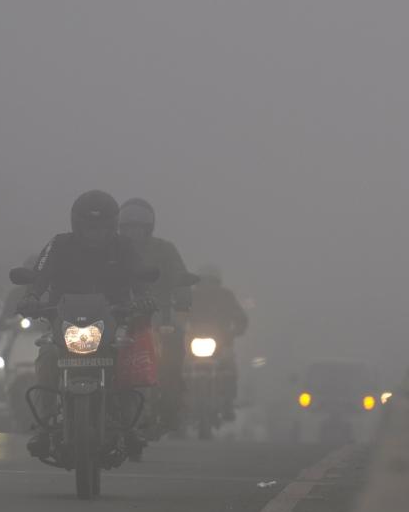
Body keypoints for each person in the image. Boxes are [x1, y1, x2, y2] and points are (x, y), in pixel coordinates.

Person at [16, 190, 151, 457]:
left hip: (112, 321)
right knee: (48, 355)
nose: (95, 233)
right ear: (77, 225)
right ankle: (44, 426)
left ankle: (127, 424)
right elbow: (40, 274)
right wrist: (31, 296)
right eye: (90, 227)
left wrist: (145, 298)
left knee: (126, 354)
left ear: (112, 226)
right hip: (63, 322)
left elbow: (140, 276)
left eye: (101, 227)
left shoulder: (124, 247)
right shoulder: (59, 244)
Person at [118, 198, 192, 436]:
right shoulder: (113, 248)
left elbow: (180, 277)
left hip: (157, 317)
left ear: (148, 227)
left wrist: (182, 300)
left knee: (171, 356)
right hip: (118, 315)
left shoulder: (165, 249)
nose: (133, 231)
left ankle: (171, 406)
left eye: (138, 226)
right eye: (128, 226)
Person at [187, 266, 248, 419]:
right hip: (193, 344)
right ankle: (178, 403)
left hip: (223, 344)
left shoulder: (226, 296)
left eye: (211, 281)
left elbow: (240, 317)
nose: (207, 285)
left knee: (230, 368)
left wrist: (236, 330)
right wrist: (176, 328)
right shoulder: (190, 297)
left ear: (217, 283)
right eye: (204, 281)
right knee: (178, 369)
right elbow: (179, 314)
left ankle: (228, 403)